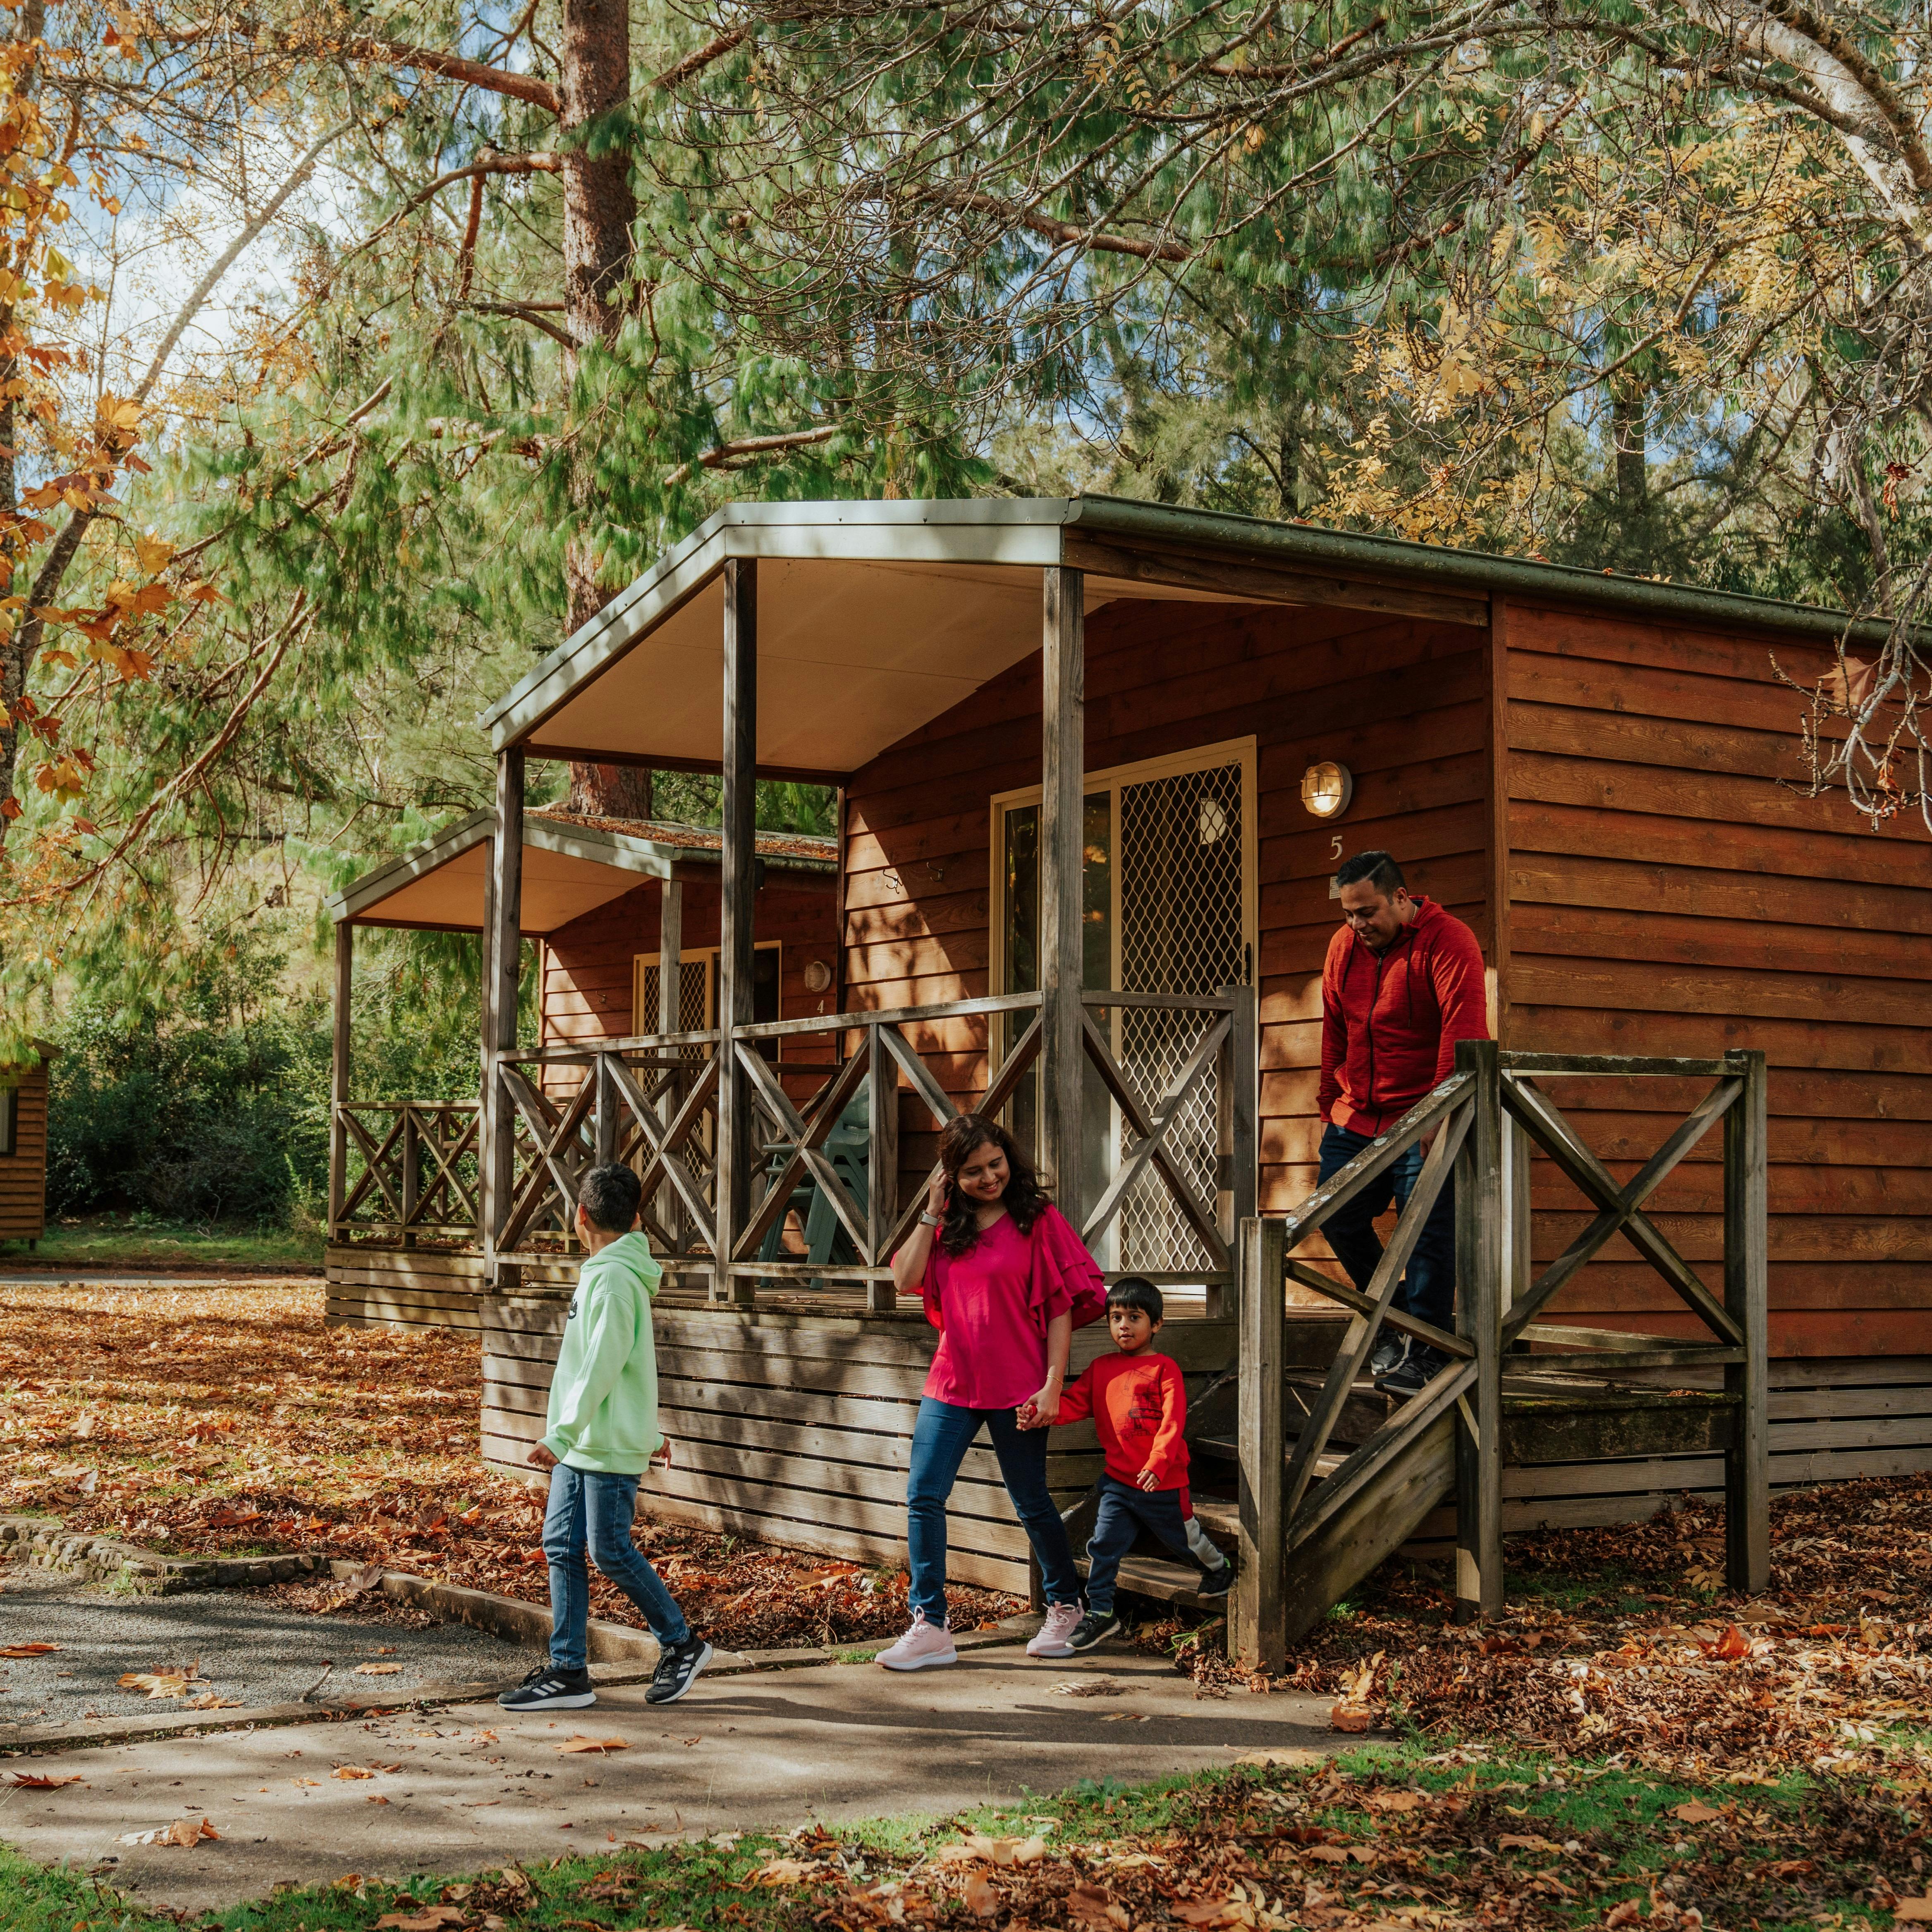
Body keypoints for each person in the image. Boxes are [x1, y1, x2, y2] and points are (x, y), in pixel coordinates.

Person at [880, 1113, 1107, 1669]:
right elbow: (905, 1280)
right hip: (952, 1381)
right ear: (952, 1176)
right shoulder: (946, 1225)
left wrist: (1054, 1386)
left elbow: (1059, 1309)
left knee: (1030, 1498)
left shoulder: (1038, 1220)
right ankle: (931, 1624)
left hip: (1020, 1386)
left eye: (996, 1164)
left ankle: (1067, 1605)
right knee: (923, 1495)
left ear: (1010, 1157)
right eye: (974, 1171)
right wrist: (931, 1213)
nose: (989, 1178)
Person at [498, 1162, 712, 1712]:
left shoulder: (615, 1279)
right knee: (561, 1547)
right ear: (637, 1218)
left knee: (610, 1550)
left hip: (592, 1439)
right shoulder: (606, 1272)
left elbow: (605, 1363)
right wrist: (647, 1429)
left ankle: (682, 1643)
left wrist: (562, 1433)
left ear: (580, 1215)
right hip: (587, 1438)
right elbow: (624, 1366)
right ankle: (569, 1672)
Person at [1318, 849, 1490, 1396]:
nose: (1357, 924)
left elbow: (1463, 1033)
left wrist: (1438, 1116)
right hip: (1359, 1114)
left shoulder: (1448, 939)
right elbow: (1335, 1027)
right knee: (1336, 1211)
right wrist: (1329, 1099)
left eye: (1366, 911)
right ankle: (1391, 1320)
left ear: (1400, 897)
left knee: (1426, 1237)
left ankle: (1430, 1352)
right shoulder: (1344, 947)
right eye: (1348, 913)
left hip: (1424, 1111)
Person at [1051, 1277, 1232, 1652]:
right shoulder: (1102, 1368)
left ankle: (1219, 1568)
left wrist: (1158, 1461)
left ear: (1157, 1324)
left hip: (1163, 1483)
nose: (1124, 1326)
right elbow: (1072, 1405)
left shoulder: (1165, 1369)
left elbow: (1173, 1421)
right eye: (1116, 1317)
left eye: (1135, 1317)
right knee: (1103, 1546)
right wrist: (1041, 1411)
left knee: (1186, 1542)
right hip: (1118, 1483)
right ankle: (1101, 1612)